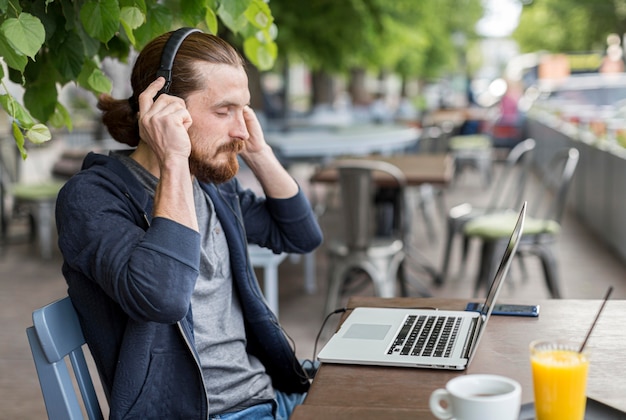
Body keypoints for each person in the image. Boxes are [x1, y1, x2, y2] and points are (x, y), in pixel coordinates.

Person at [55, 28, 323, 419]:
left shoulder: (211, 187)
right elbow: (163, 298)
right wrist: (174, 160)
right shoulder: (91, 198)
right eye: (223, 110)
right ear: (163, 110)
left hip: (271, 395)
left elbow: (300, 236)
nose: (241, 128)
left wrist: (258, 152)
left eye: (243, 110)